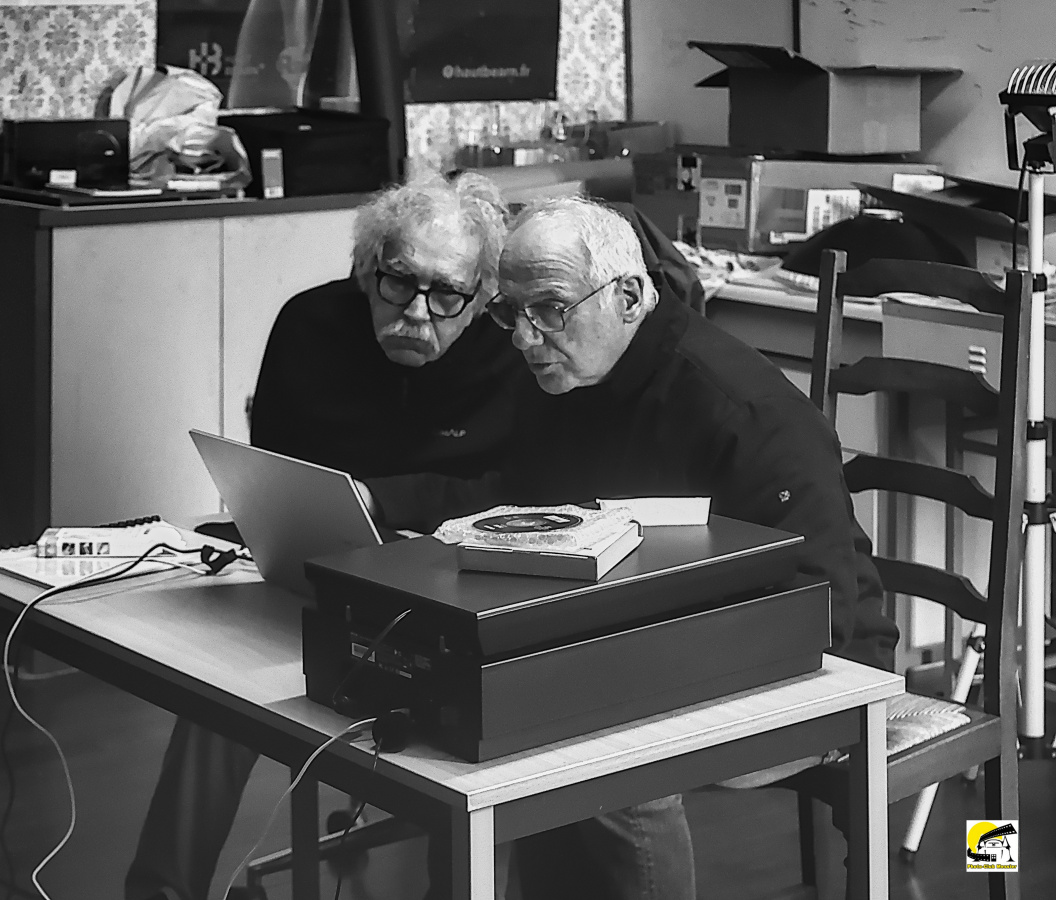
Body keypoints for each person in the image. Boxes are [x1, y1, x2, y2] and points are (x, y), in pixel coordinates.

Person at [365, 196, 899, 900]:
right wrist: (378, 502)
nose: (523, 337)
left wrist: (642, 664)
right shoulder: (570, 372)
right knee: (483, 719)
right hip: (649, 635)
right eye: (509, 312)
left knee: (586, 758)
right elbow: (522, 503)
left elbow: (819, 599)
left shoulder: (743, 410)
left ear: (627, 297)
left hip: (818, 667)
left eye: (549, 309)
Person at [124, 170, 524, 900]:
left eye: (447, 295)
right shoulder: (309, 324)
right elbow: (274, 475)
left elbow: (519, 491)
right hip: (317, 584)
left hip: (456, 600)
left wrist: (384, 498)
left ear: (482, 295)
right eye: (398, 284)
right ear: (366, 269)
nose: (417, 314)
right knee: (218, 699)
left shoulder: (510, 352)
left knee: (482, 742)